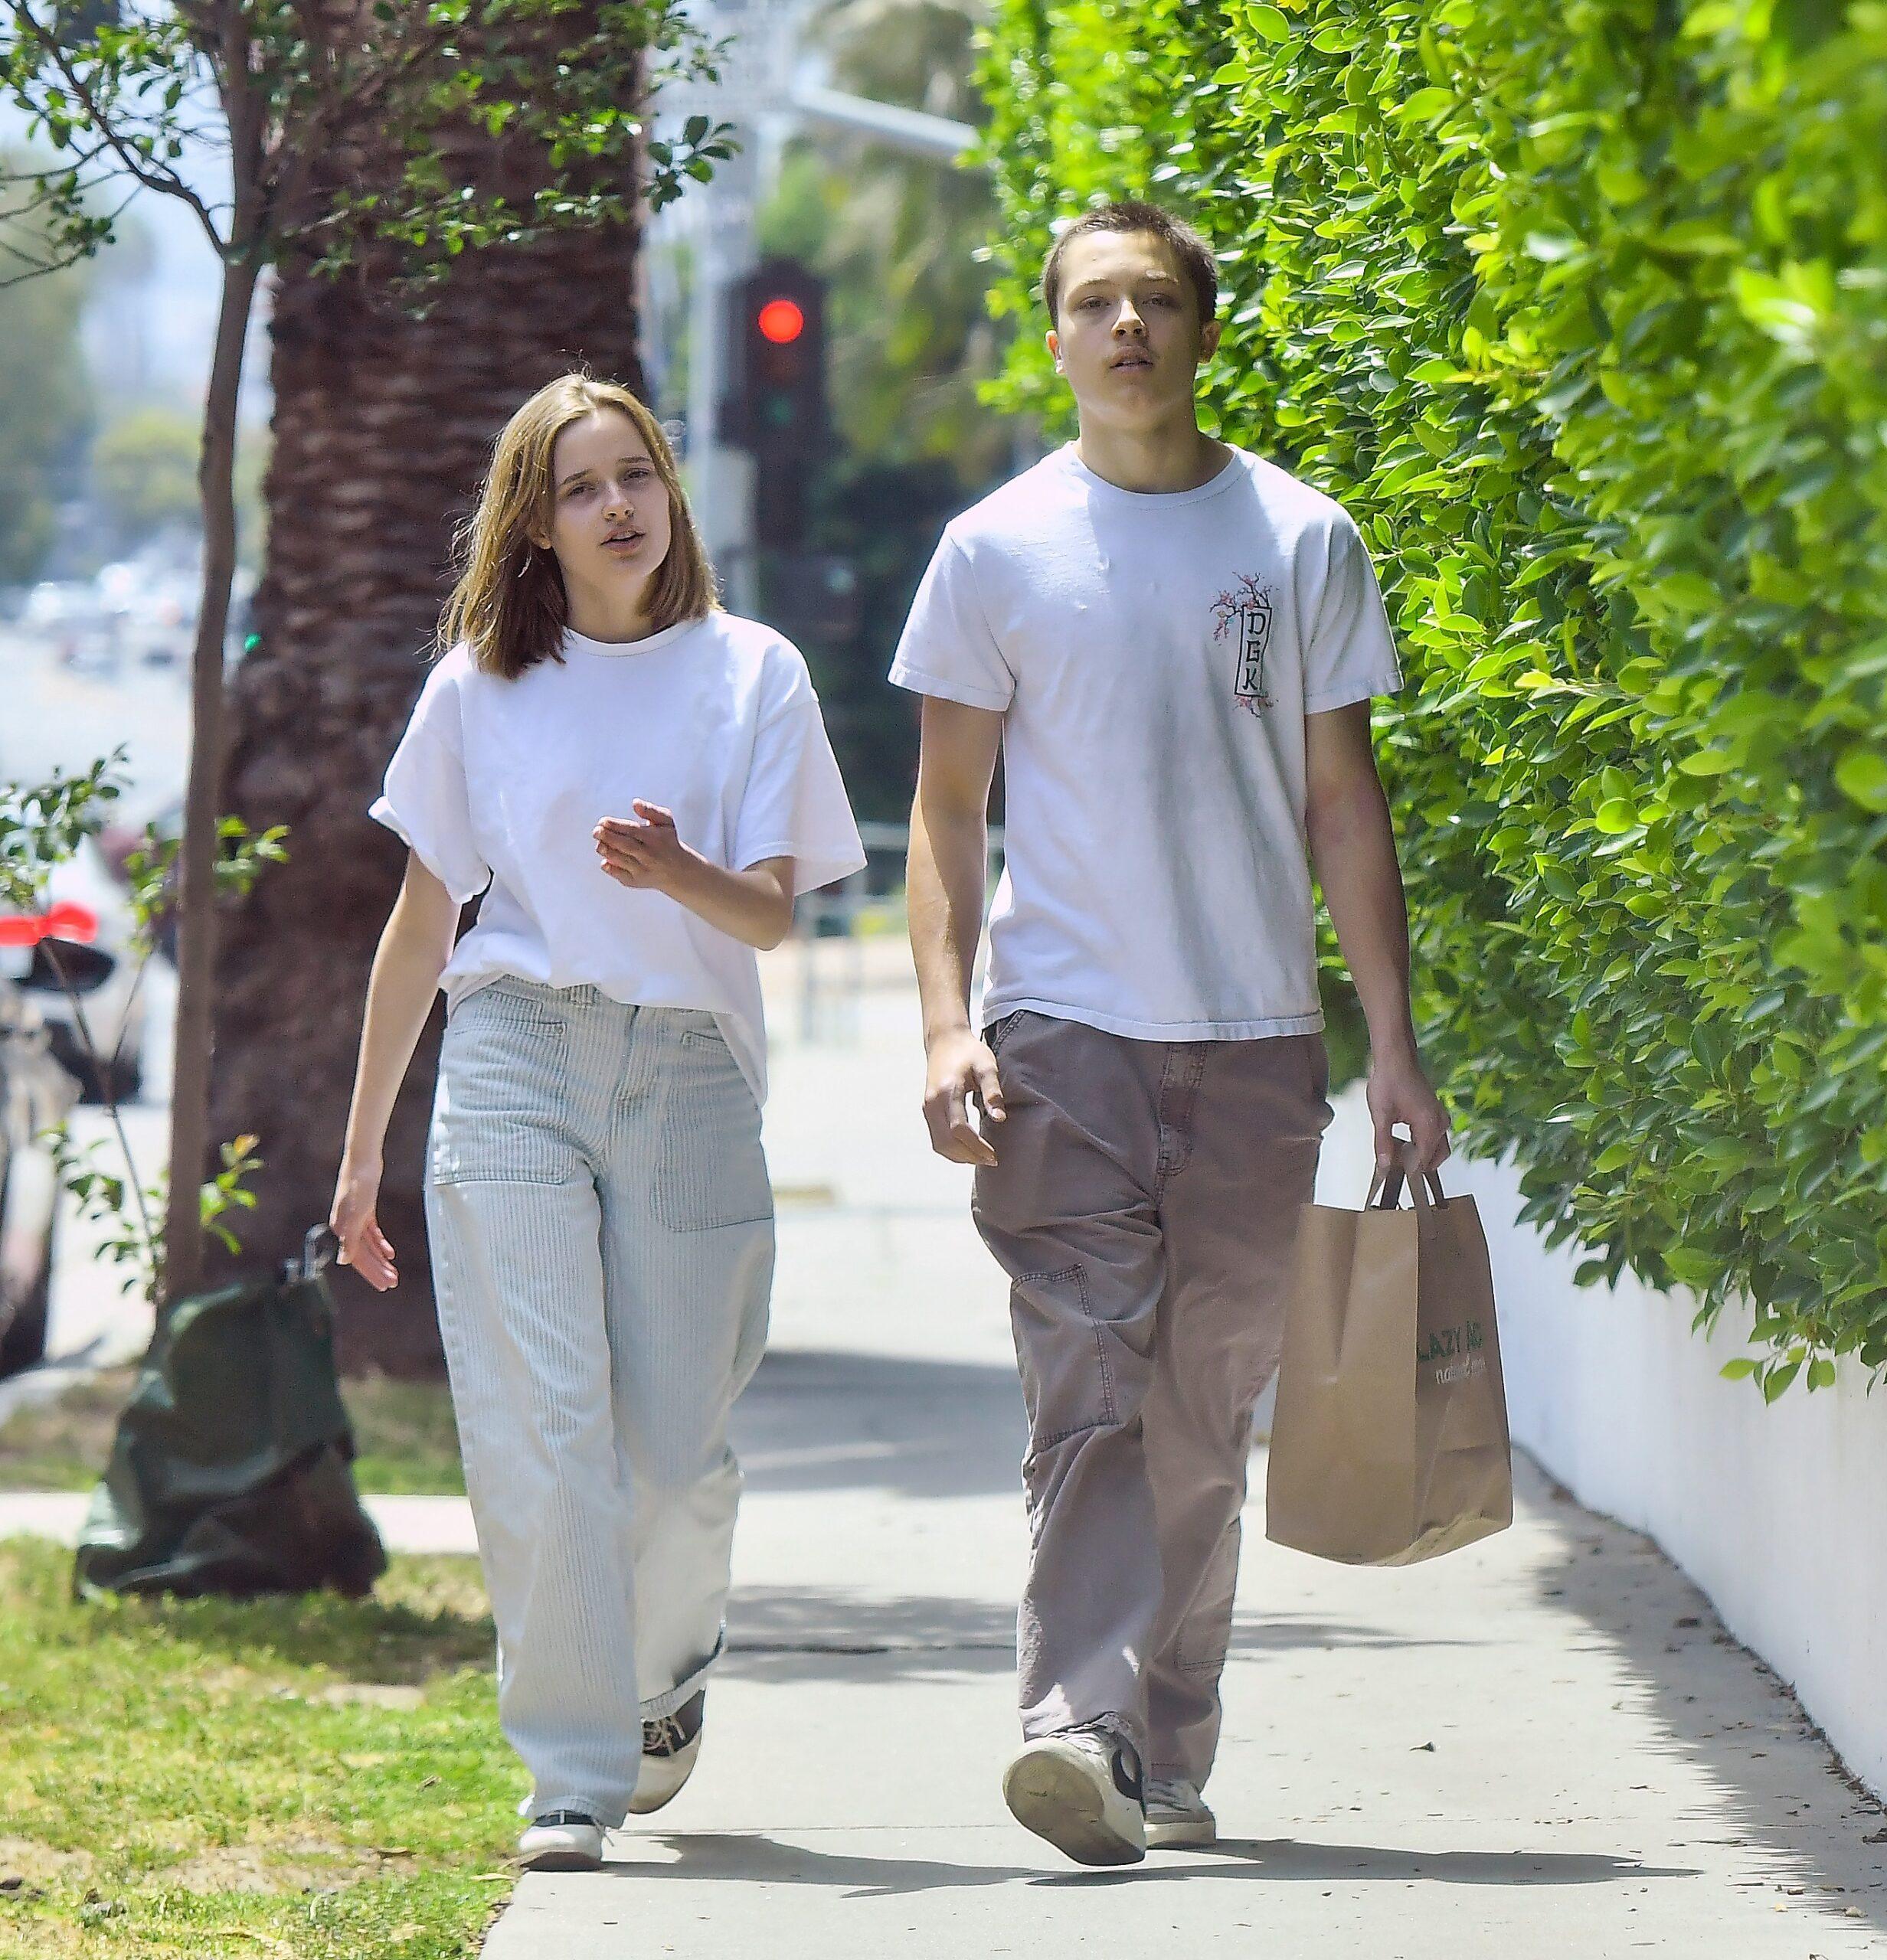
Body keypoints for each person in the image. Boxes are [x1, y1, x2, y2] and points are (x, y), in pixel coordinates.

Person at [892, 200, 1452, 1867]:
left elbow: (1343, 805)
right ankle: (1074, 1719)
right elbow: (943, 807)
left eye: (1154, 300)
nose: (1124, 324)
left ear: (1203, 332)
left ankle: (1165, 1733)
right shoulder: (992, 548)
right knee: (1084, 1386)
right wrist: (944, 1023)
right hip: (1060, 1030)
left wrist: (1395, 1050)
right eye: (1093, 302)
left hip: (1256, 1036)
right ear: (1052, 338)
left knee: (1203, 1406)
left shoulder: (1296, 538)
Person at [329, 373, 865, 1871]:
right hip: (510, 1048)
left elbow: (767, 910)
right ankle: (570, 1770)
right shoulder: (478, 688)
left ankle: (662, 1674)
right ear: (536, 524)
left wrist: (676, 871)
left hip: (689, 1065)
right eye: (580, 487)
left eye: (635, 473)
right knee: (539, 1424)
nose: (618, 503)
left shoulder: (751, 673)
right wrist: (364, 1143)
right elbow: (422, 916)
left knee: (674, 1449)